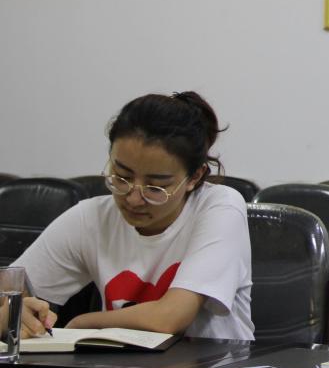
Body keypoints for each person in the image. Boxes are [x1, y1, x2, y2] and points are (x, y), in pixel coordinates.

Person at [15, 91, 254, 341]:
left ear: (194, 177)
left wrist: (80, 323)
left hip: (213, 362)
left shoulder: (220, 207)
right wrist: (15, 316)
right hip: (120, 362)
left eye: (156, 187)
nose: (133, 199)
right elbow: (9, 292)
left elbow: (170, 318)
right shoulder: (92, 218)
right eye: (122, 177)